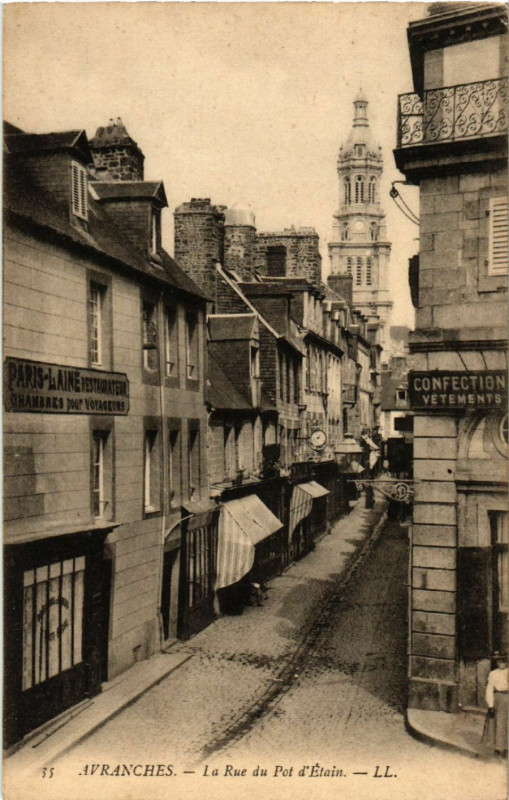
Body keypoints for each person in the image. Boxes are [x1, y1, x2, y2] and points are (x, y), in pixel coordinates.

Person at [483, 653, 508, 756]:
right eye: (499, 661)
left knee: (506, 723)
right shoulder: (493, 673)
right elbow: (489, 689)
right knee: (497, 722)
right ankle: (498, 748)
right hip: (497, 698)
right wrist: (490, 705)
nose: (501, 663)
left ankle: (506, 747)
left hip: (508, 697)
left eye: (504, 661)